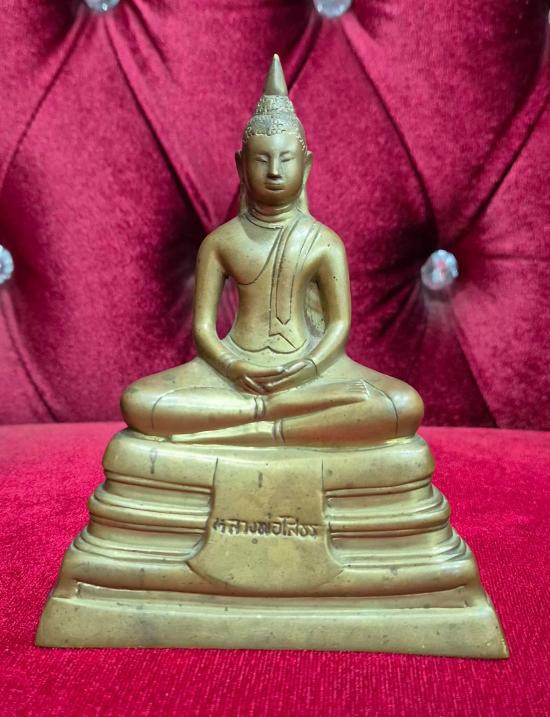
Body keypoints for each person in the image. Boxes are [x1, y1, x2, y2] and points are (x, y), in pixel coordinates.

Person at [121, 56, 423, 447]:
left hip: (310, 371)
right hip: (234, 372)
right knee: (139, 401)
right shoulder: (220, 243)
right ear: (240, 165)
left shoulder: (323, 242)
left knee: (401, 405)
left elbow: (338, 326)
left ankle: (260, 427)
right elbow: (203, 330)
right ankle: (266, 417)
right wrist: (233, 367)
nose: (275, 171)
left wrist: (308, 367)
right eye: (262, 160)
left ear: (307, 165)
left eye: (286, 159)